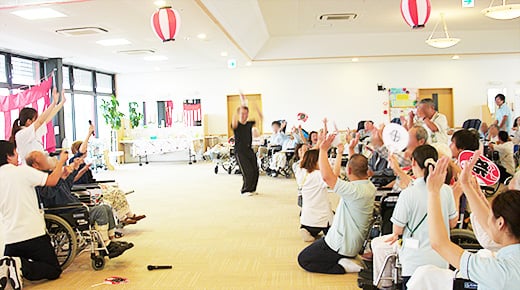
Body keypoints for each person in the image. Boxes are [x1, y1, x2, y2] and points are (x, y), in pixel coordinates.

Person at [415, 151, 520, 290]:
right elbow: (489, 227)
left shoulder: (499, 271)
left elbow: (439, 243)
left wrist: (433, 192)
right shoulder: (511, 256)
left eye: (491, 217)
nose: (487, 221)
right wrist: (467, 186)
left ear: (501, 223)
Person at [371, 145, 458, 289]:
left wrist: (398, 233)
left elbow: (397, 230)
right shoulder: (447, 191)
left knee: (380, 245)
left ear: (413, 164)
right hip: (441, 259)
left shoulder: (408, 193)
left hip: (414, 262)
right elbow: (452, 223)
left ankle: (384, 285)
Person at [25, 151, 134, 259]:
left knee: (106, 208)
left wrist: (72, 171)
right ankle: (105, 244)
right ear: (35, 165)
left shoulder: (50, 177)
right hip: (65, 212)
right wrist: (61, 170)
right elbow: (49, 193)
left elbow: (66, 184)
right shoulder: (40, 180)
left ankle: (111, 241)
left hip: (73, 207)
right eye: (43, 158)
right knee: (100, 211)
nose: (46, 158)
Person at [297, 133, 376, 274]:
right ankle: (343, 259)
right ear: (367, 171)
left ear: (349, 170)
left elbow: (328, 177)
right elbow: (355, 166)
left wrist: (323, 150)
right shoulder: (369, 186)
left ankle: (342, 266)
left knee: (304, 259)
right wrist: (349, 149)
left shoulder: (353, 190)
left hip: (341, 245)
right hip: (349, 241)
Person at [0, 141, 66, 288]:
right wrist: (61, 161)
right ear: (8, 156)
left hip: (11, 238)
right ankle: (20, 265)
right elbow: (52, 180)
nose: (18, 155)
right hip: (33, 234)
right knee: (54, 270)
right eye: (15, 152)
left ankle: (14, 265)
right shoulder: (22, 171)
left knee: (6, 262)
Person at [69, 125, 145, 225]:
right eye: (85, 148)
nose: (87, 149)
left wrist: (99, 184)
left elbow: (90, 179)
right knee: (112, 194)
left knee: (117, 191)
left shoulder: (83, 162)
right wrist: (89, 133)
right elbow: (78, 177)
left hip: (92, 186)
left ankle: (129, 215)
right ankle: (122, 218)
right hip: (85, 190)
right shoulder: (74, 161)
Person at [9, 88, 66, 163]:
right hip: (30, 168)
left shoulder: (34, 130)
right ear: (28, 121)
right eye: (35, 118)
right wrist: (53, 103)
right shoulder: (21, 134)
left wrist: (61, 103)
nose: (37, 120)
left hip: (39, 165)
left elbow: (48, 117)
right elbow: (40, 121)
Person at [295, 148, 337, 242]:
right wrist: (340, 154)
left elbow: (306, 158)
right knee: (335, 223)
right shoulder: (318, 175)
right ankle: (328, 235)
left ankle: (305, 230)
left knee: (311, 224)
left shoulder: (301, 172)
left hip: (307, 218)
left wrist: (321, 146)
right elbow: (334, 177)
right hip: (323, 217)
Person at [231, 94, 262, 196]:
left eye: (246, 113)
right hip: (240, 151)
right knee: (247, 170)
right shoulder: (236, 125)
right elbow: (234, 120)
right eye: (242, 113)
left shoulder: (249, 124)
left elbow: (260, 117)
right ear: (239, 114)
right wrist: (242, 103)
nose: (244, 115)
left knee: (255, 170)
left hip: (249, 149)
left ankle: (252, 189)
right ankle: (245, 190)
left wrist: (256, 107)